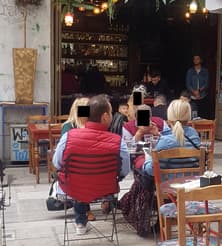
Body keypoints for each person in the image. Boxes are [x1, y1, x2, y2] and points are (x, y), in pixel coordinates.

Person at [53, 95, 130, 235]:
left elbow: (56, 163)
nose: (112, 116)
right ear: (105, 117)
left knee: (78, 179)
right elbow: (125, 170)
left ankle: (80, 222)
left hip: (73, 188)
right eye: (111, 112)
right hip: (106, 189)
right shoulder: (118, 142)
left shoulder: (68, 136)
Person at [142, 99, 201, 176]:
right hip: (192, 181)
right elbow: (177, 140)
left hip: (170, 182)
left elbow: (151, 170)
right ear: (188, 117)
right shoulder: (194, 134)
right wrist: (159, 135)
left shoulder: (165, 141)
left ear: (169, 118)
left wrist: (149, 156)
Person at [185, 54, 209, 119]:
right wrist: (194, 92)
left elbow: (206, 84)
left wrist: (199, 91)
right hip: (192, 97)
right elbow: (188, 84)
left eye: (197, 59)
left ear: (201, 60)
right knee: (193, 114)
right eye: (194, 59)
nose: (195, 60)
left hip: (202, 96)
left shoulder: (205, 71)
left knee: (202, 114)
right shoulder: (190, 71)